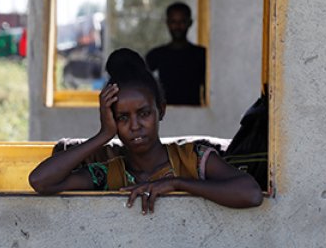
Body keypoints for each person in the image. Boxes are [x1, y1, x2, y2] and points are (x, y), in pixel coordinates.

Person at [29, 48, 262, 213]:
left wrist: (178, 184)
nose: (135, 125)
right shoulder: (110, 174)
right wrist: (103, 135)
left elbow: (250, 193)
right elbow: (41, 181)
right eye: (122, 117)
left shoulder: (193, 159)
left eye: (144, 113)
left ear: (160, 110)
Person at [146, 2, 206, 105]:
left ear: (190, 23)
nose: (178, 26)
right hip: (164, 116)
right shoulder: (156, 55)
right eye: (173, 22)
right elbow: (142, 85)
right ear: (167, 23)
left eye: (182, 21)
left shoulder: (201, 55)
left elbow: (209, 90)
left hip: (195, 116)